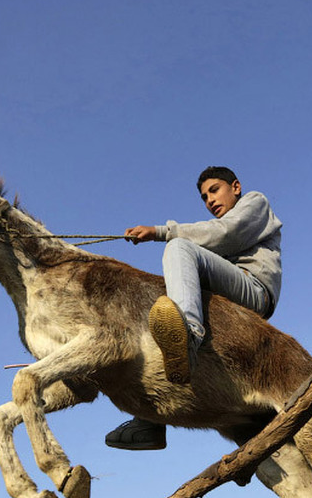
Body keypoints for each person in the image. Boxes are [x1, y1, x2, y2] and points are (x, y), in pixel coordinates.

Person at [108, 165, 283, 449]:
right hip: (226, 293)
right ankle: (150, 421)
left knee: (179, 248)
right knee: (164, 301)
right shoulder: (210, 236)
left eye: (214, 190)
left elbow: (226, 233)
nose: (210, 200)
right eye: (204, 197)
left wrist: (160, 232)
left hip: (254, 291)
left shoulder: (255, 203)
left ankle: (188, 336)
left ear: (235, 187)